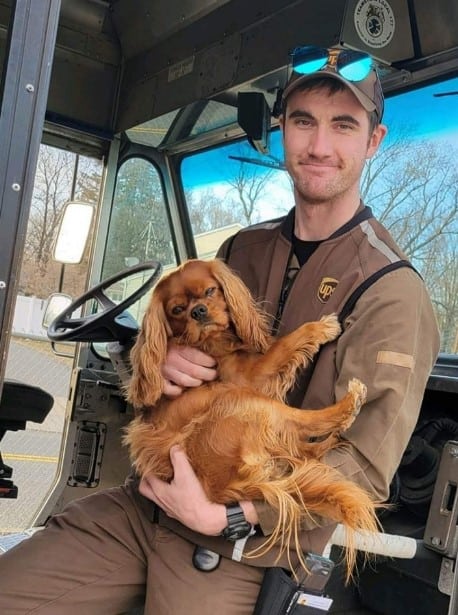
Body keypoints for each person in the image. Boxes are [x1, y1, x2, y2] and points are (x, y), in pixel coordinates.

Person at [0, 45, 439, 614]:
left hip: (247, 543)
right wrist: (161, 366)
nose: (320, 145)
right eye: (303, 121)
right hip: (150, 503)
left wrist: (232, 514)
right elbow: (184, 350)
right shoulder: (240, 249)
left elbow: (365, 466)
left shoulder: (391, 289)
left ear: (373, 141)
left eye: (343, 125)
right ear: (282, 129)